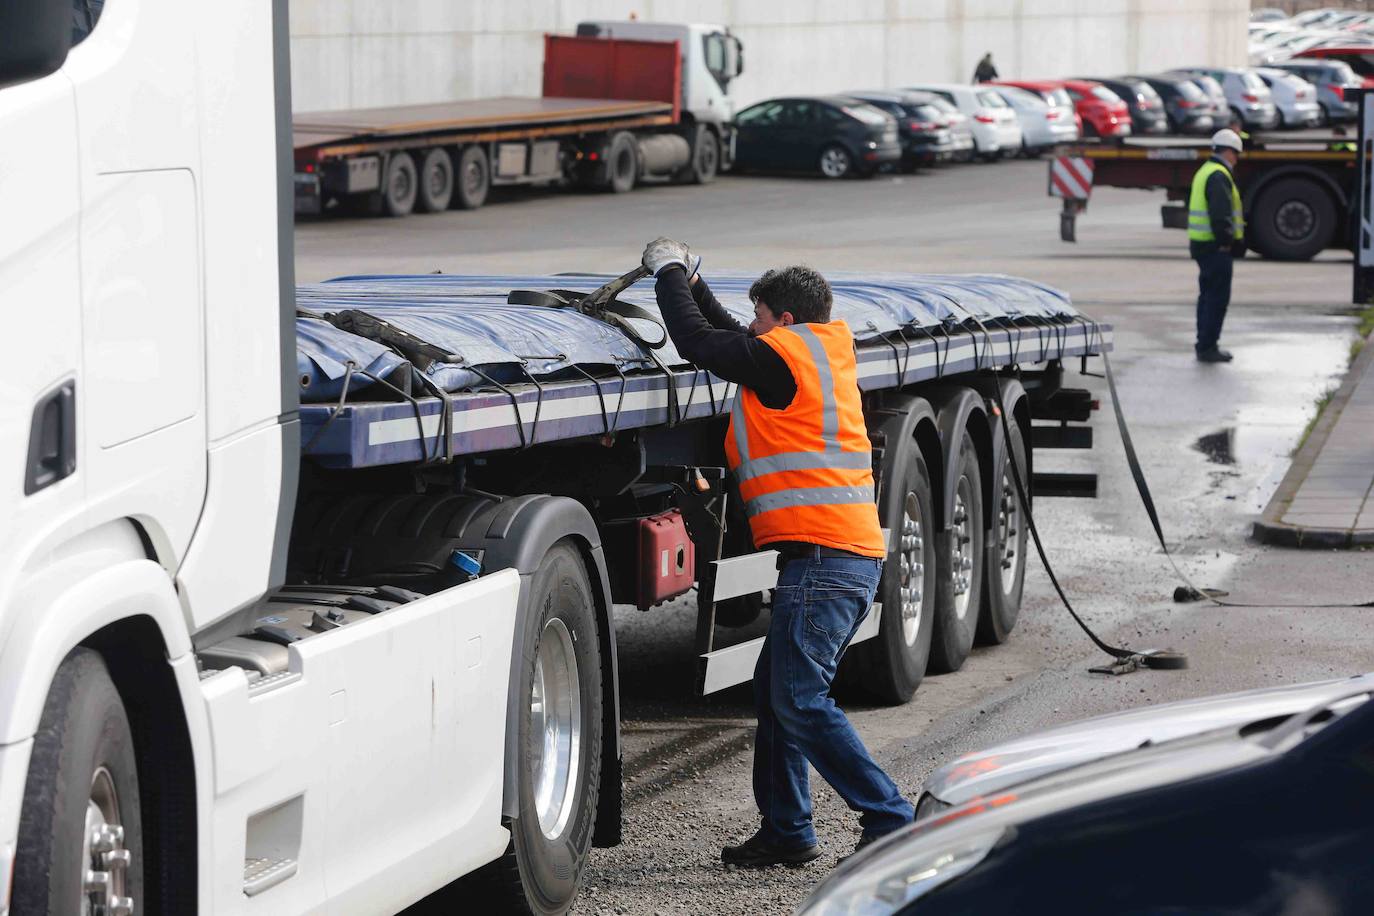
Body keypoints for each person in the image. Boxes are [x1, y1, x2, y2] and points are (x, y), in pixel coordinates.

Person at [640, 238, 915, 866]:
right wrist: (697, 281)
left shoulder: (784, 357)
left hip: (827, 559)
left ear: (784, 322)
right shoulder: (812, 354)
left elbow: (703, 344)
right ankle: (788, 830)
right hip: (833, 558)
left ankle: (890, 817)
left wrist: (670, 274)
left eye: (759, 317)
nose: (752, 329)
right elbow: (730, 334)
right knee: (777, 689)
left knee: (796, 696)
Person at [1187, 128, 1245, 363]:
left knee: (1206, 297)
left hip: (1203, 246)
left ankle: (1204, 343)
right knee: (1216, 300)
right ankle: (1208, 346)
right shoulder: (1219, 175)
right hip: (1216, 248)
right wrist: (1229, 242)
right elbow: (1220, 216)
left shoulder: (1206, 170)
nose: (1236, 160)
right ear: (1230, 152)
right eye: (1236, 154)